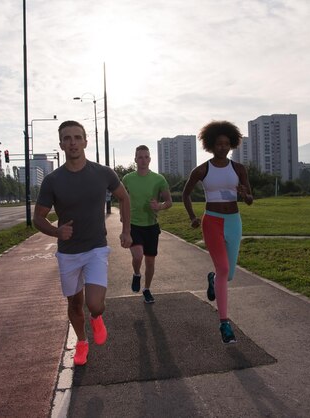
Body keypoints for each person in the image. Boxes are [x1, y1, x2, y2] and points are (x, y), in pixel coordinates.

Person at [33, 120, 132, 366]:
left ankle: (97, 317)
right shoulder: (53, 181)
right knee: (75, 305)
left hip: (96, 248)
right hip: (68, 254)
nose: (73, 142)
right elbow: (38, 218)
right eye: (67, 138)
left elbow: (124, 198)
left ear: (86, 141)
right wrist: (57, 232)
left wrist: (126, 231)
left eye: (77, 137)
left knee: (94, 303)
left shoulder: (103, 173)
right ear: (61, 144)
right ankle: (81, 341)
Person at [182, 120, 253, 344]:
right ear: (210, 145)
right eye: (218, 143)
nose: (222, 147)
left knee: (228, 274)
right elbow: (185, 194)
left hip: (233, 221)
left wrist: (245, 194)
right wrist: (193, 217)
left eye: (226, 143)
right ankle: (224, 323)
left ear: (232, 144)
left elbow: (250, 200)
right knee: (224, 268)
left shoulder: (239, 169)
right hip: (211, 221)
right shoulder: (203, 169)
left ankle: (212, 278)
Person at [122, 145, 172, 304]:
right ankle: (137, 274)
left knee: (150, 261)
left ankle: (147, 289)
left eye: (146, 157)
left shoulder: (159, 179)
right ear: (135, 159)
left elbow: (169, 201)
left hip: (151, 225)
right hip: (134, 224)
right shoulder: (127, 179)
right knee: (137, 256)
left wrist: (160, 206)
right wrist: (124, 222)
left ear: (150, 159)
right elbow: (122, 201)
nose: (143, 160)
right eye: (140, 157)